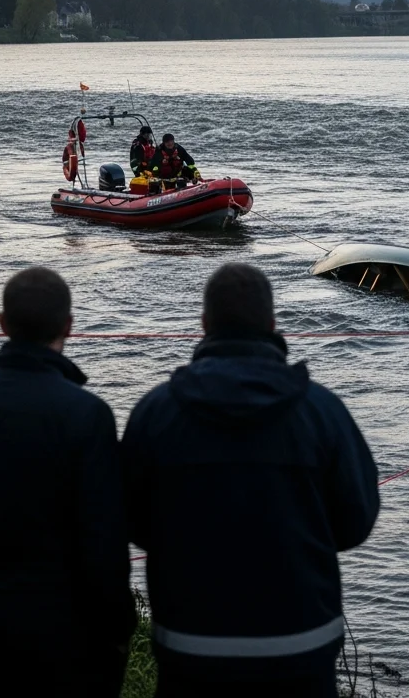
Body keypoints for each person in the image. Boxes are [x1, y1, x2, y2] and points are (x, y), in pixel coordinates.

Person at [122, 263, 379, 698]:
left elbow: (132, 521)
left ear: (204, 325)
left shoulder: (155, 413)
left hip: (191, 645)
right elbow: (356, 521)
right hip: (302, 645)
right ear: (272, 322)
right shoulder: (323, 412)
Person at [0, 268, 135, 698]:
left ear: (2, 324)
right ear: (69, 326)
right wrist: (118, 621)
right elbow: (104, 540)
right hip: (70, 625)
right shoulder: (87, 414)